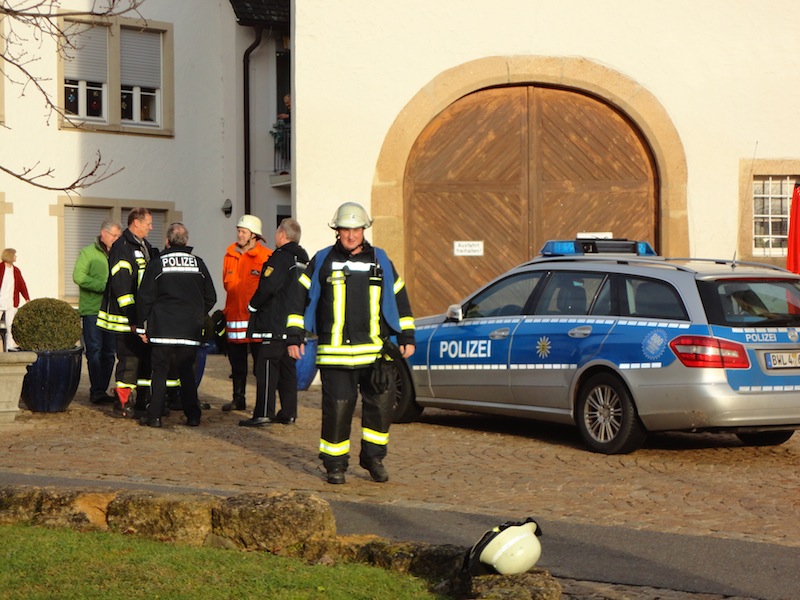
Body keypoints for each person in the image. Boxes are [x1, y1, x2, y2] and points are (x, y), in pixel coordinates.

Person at [287, 202, 416, 485]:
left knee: (380, 409)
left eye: (356, 229)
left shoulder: (381, 260)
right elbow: (299, 298)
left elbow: (399, 298)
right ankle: (335, 464)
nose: (351, 235)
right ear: (337, 230)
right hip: (335, 355)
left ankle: (373, 459)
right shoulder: (322, 260)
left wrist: (407, 336)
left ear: (364, 230)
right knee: (338, 410)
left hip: (375, 354)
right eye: (346, 229)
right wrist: (295, 335)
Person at [136, 222, 216, 427]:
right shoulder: (198, 264)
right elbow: (211, 297)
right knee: (186, 372)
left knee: (159, 372)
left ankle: (154, 416)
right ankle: (193, 415)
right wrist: (197, 314)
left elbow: (145, 297)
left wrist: (141, 326)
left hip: (162, 329)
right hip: (189, 330)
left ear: (167, 241)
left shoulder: (158, 263)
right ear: (186, 241)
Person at [239, 218, 308, 427]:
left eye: (277, 231)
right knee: (288, 370)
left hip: (274, 322)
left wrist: (253, 305)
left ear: (283, 234)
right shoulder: (303, 259)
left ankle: (264, 412)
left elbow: (268, 286)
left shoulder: (280, 257)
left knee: (267, 367)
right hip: (293, 324)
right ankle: (288, 412)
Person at [98, 208, 157, 418]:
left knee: (145, 360)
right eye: (148, 223)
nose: (151, 227)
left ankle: (142, 401)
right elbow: (121, 286)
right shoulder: (122, 247)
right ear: (136, 223)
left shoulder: (144, 246)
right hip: (125, 318)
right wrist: (132, 318)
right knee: (129, 360)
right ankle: (121, 404)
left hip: (141, 316)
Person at [221, 215, 272, 412]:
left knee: (260, 367)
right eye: (239, 231)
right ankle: (238, 399)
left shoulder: (266, 257)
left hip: (256, 320)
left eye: (243, 232)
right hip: (234, 318)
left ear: (254, 235)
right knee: (237, 365)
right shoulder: (229, 255)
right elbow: (227, 284)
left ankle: (262, 404)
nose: (239, 235)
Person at [72, 220, 122, 403]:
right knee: (94, 351)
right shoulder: (88, 253)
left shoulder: (119, 254)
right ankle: (97, 390)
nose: (116, 239)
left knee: (109, 353)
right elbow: (78, 276)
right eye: (114, 235)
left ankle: (101, 389)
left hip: (112, 311)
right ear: (103, 233)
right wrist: (103, 286)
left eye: (118, 236)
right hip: (93, 310)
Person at [0, 248, 30, 351]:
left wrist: (27, 298)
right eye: (14, 255)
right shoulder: (0, 268)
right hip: (1, 301)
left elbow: (22, 285)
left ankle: (10, 348)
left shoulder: (16, 271)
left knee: (10, 326)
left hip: (11, 302)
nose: (16, 257)